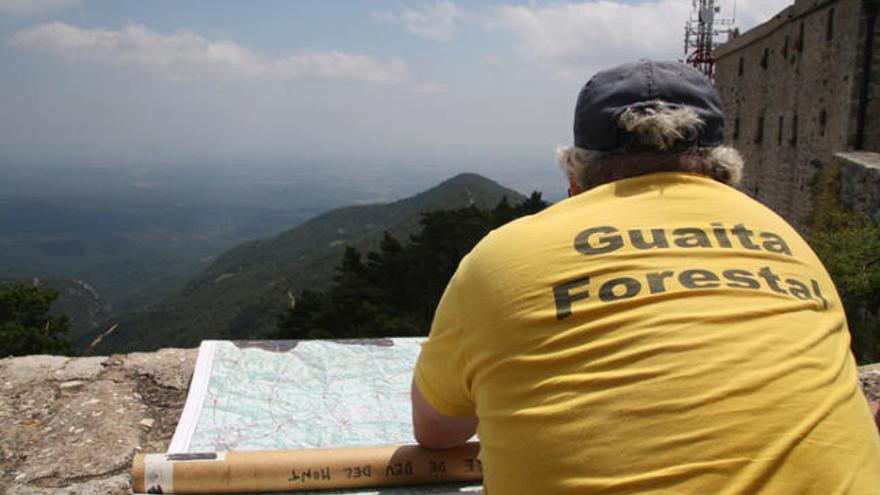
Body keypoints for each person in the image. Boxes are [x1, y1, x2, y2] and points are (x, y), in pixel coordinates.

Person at [411, 60, 880, 493]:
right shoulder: (790, 242)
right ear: (724, 172)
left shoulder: (501, 257)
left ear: (575, 177)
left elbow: (437, 431)